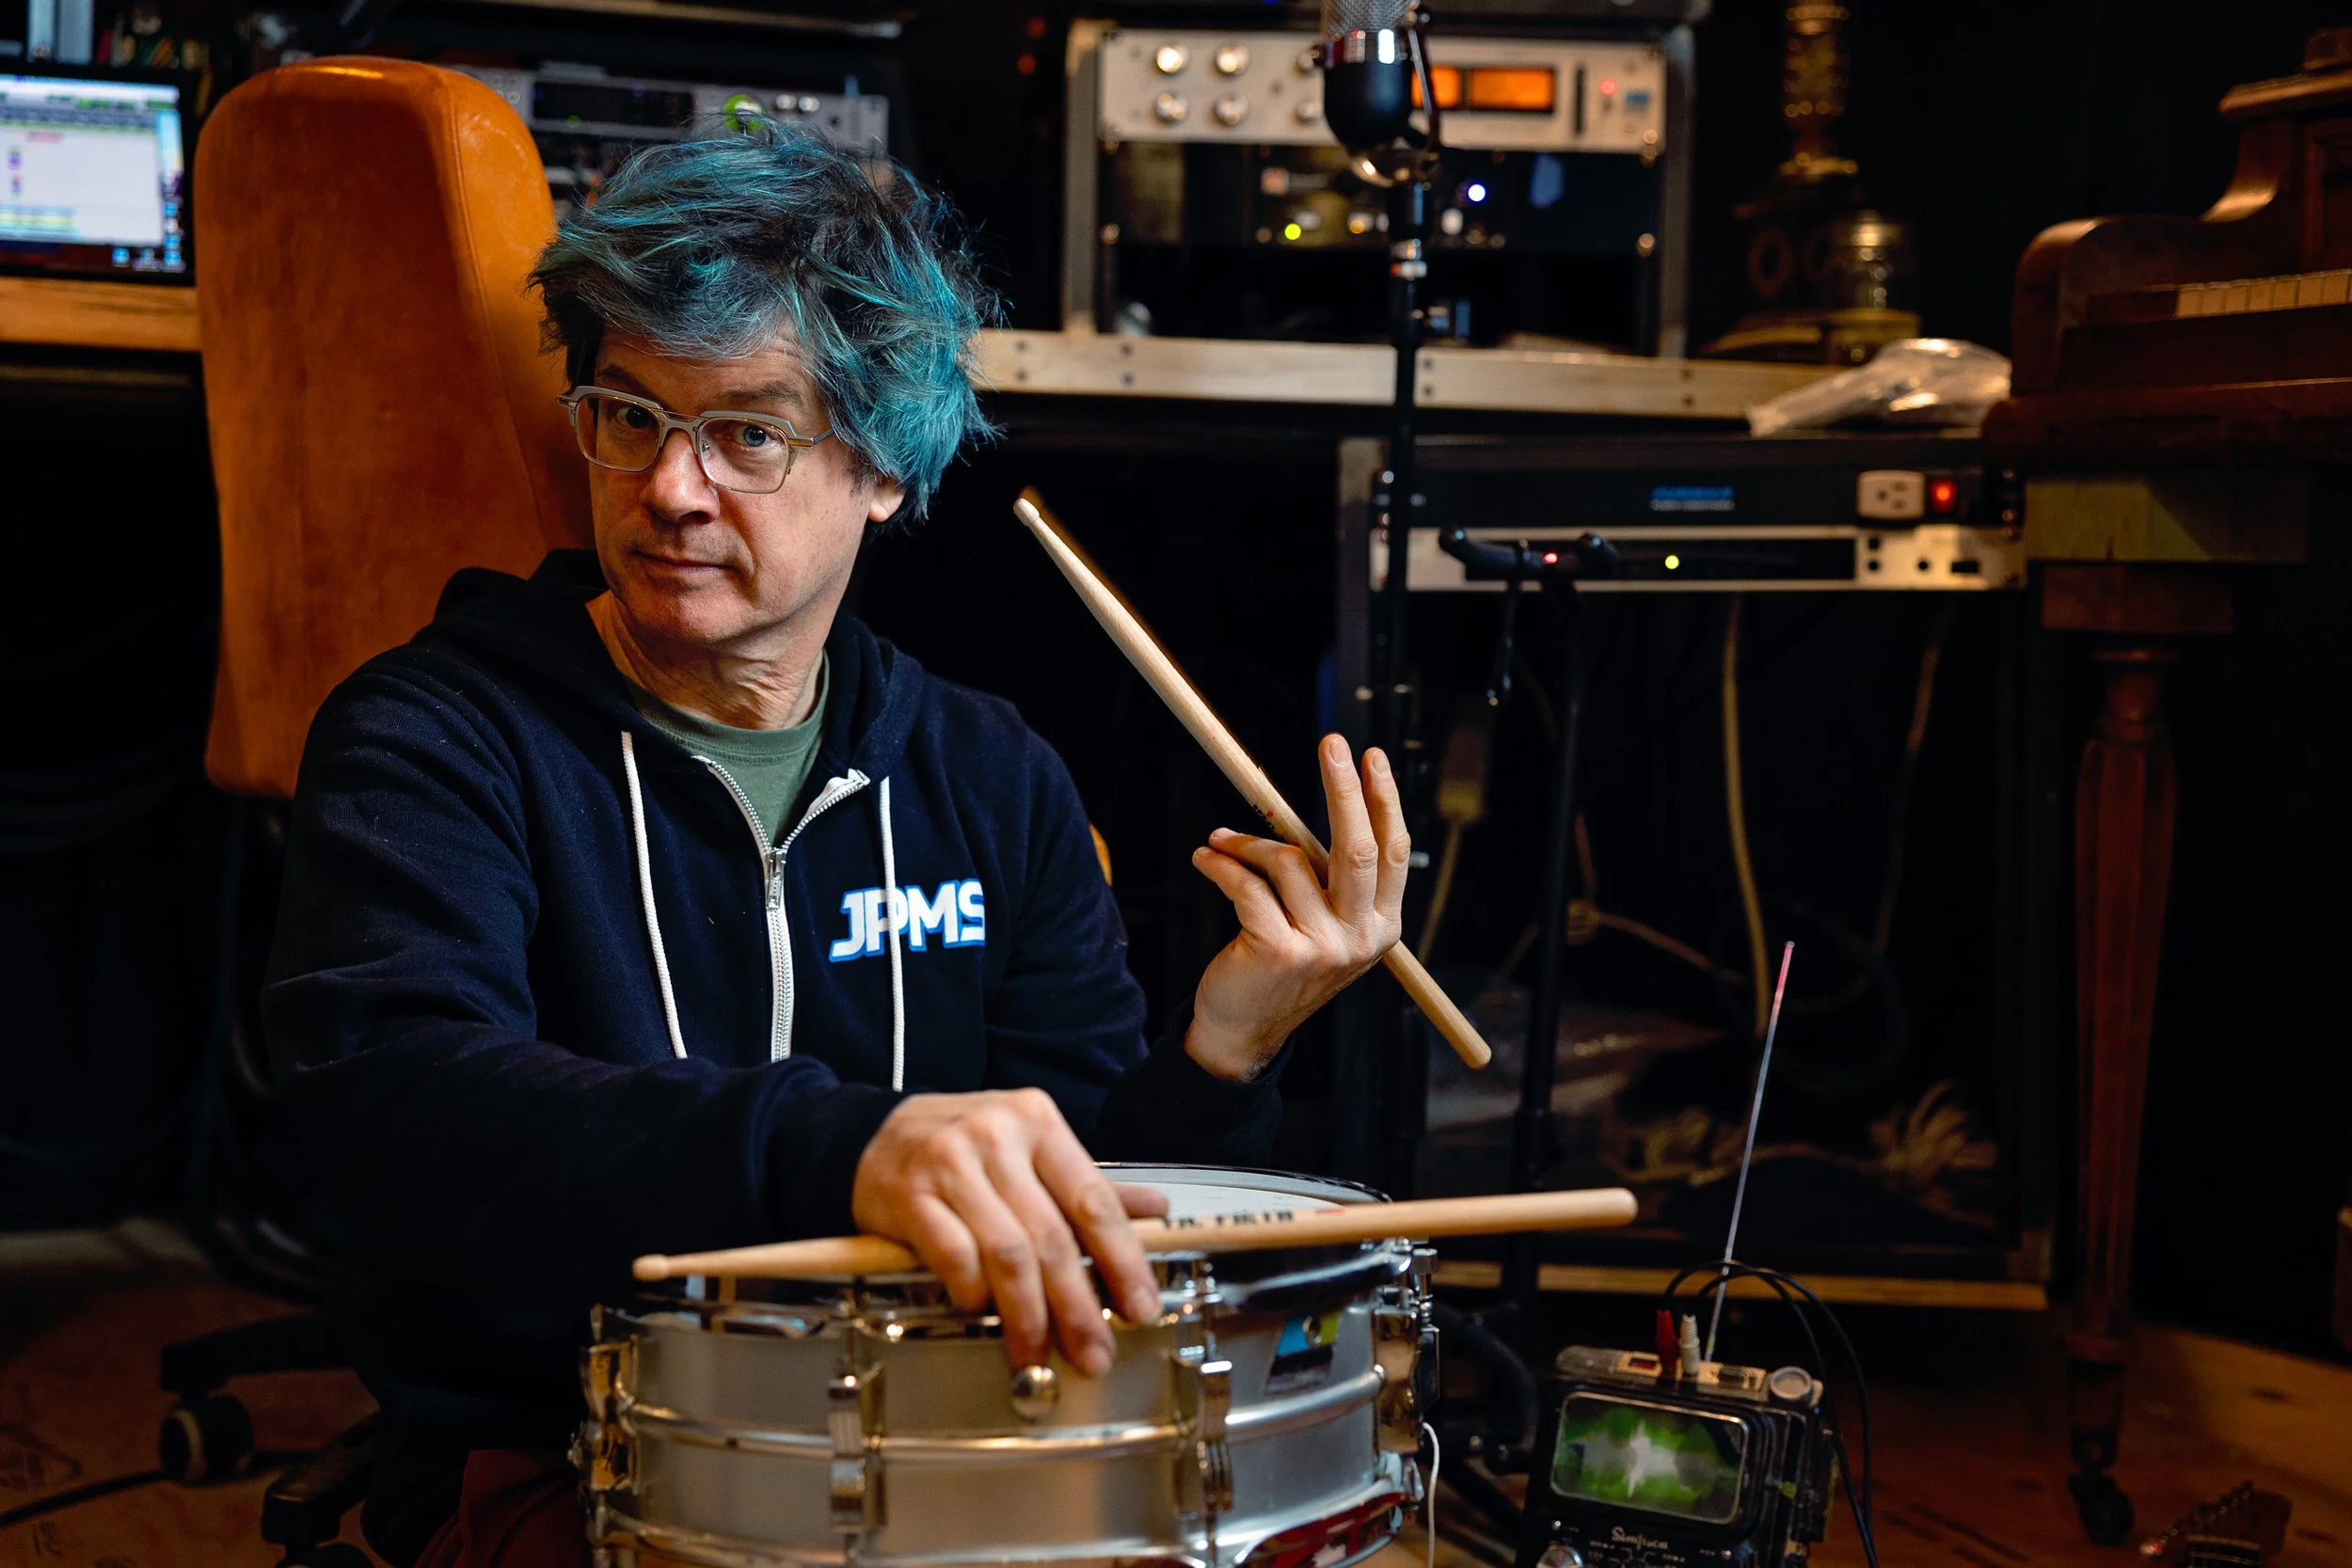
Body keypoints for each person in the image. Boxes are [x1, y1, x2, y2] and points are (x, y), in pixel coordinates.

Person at [262, 122, 1410, 1566]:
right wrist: (844, 1147)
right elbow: (400, 1131)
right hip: (569, 1454)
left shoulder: (991, 774)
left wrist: (1220, 1058)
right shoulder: (434, 734)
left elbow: (1087, 1217)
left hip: (965, 1455)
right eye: (629, 415)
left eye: (748, 432)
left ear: (883, 469)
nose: (672, 488)